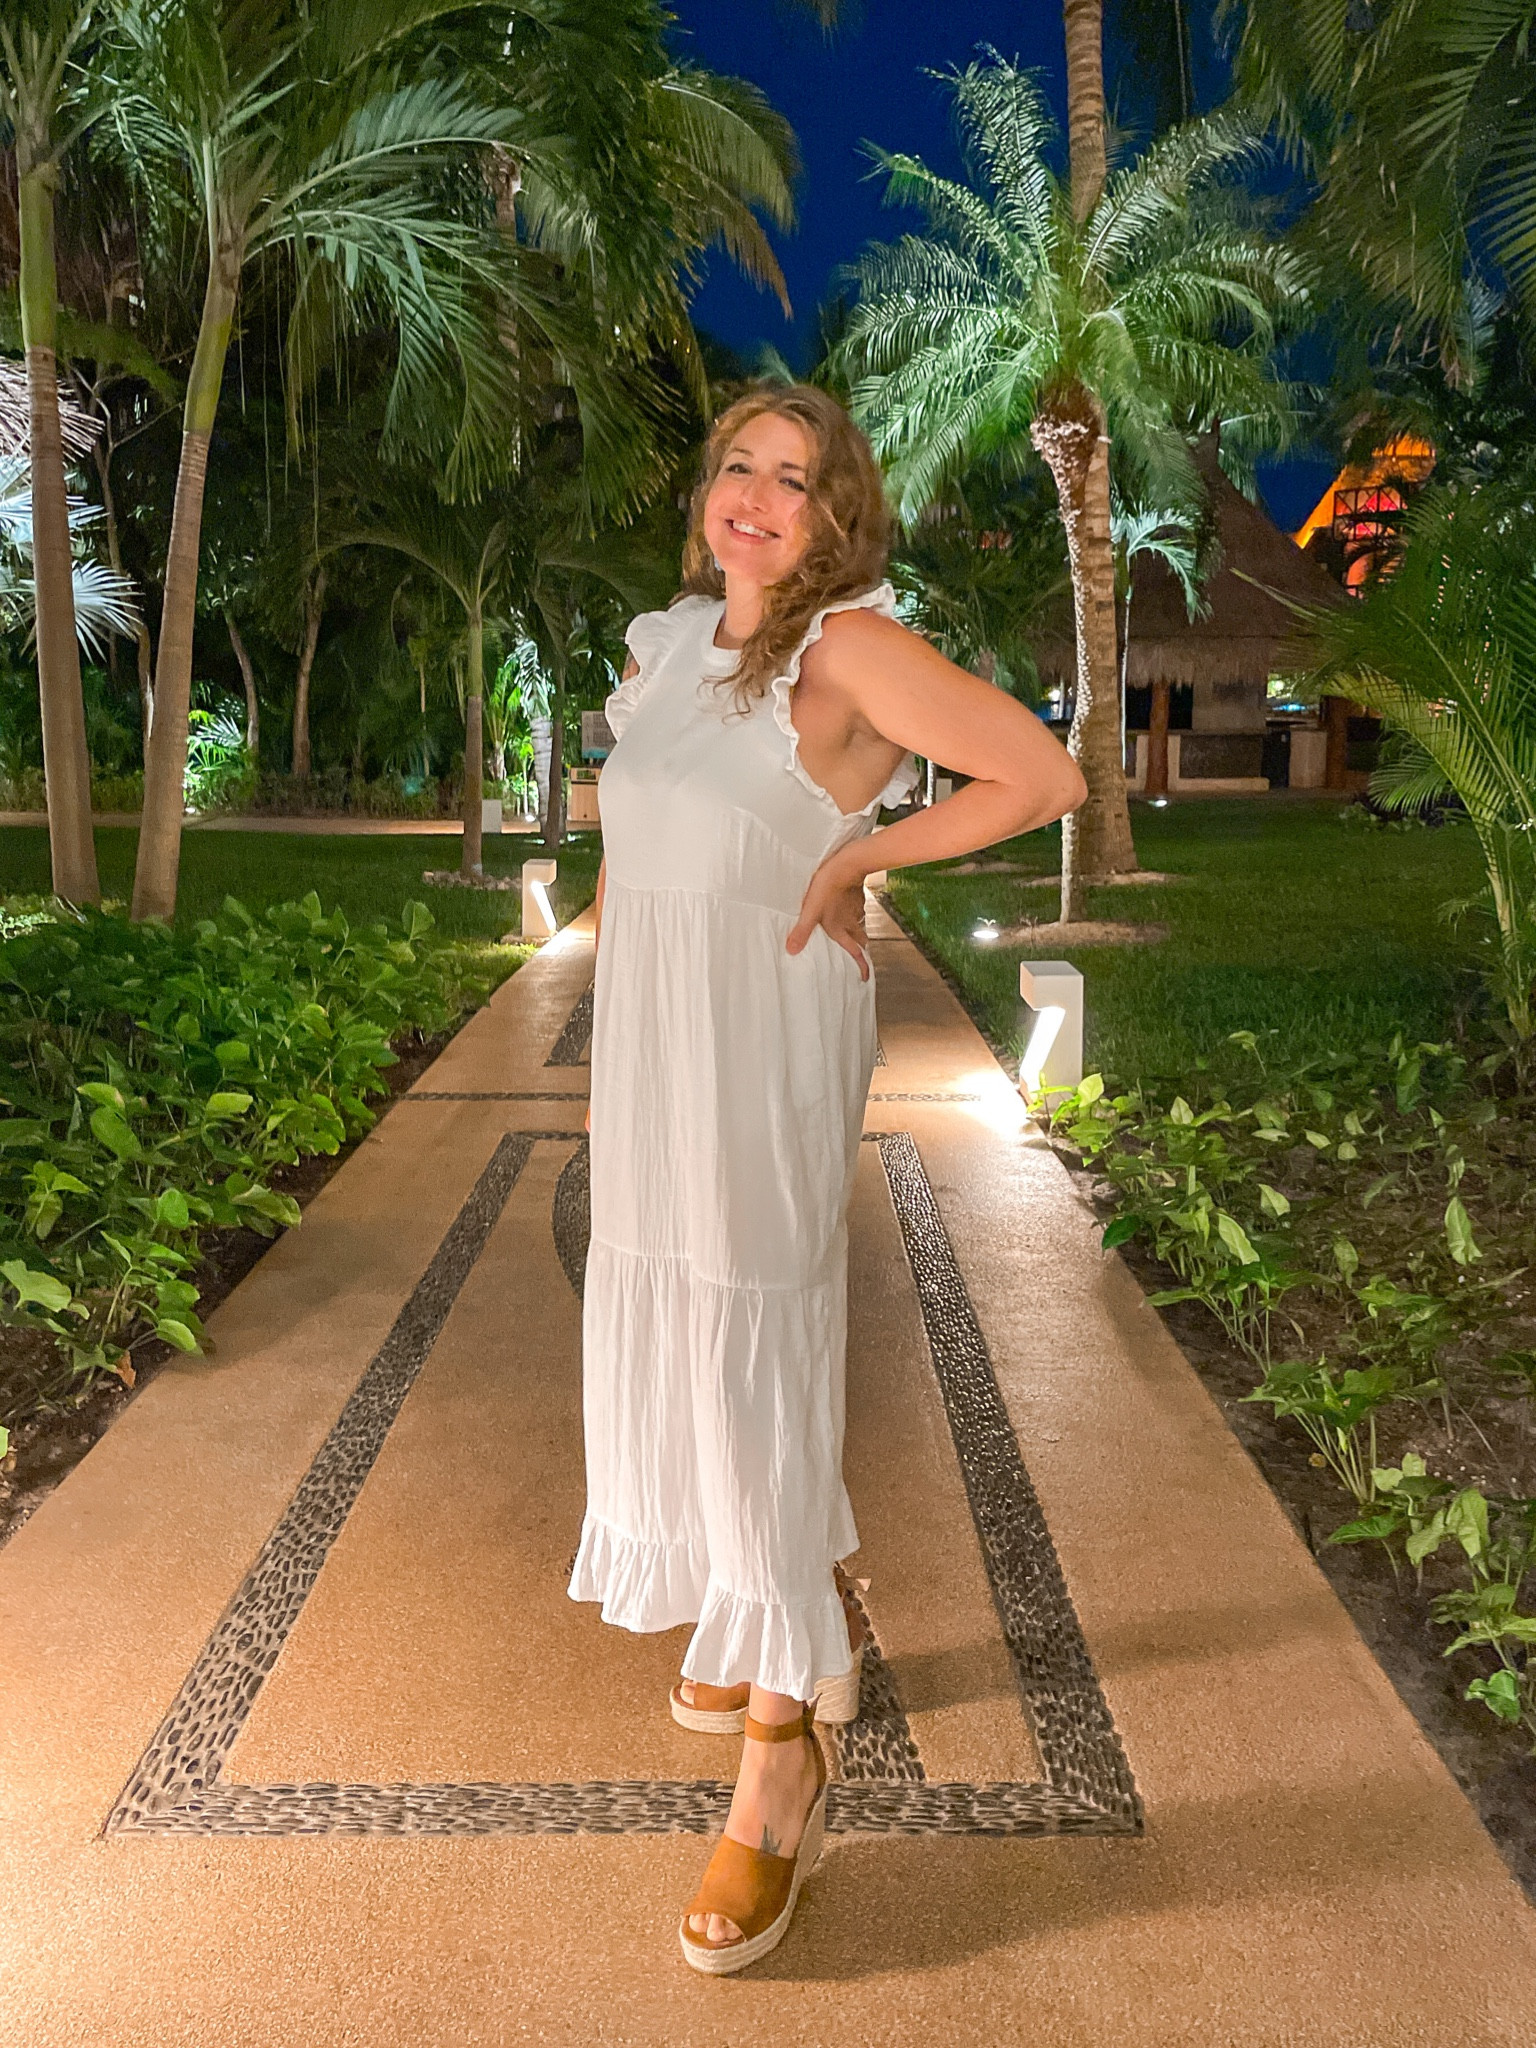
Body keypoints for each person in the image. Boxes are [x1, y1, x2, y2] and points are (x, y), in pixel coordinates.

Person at [569, 386, 1085, 1973]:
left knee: (751, 1350)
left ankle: (781, 1759)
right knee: (679, 1319)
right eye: (739, 467)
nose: (757, 497)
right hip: (658, 1045)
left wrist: (858, 857)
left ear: (834, 515)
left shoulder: (845, 651)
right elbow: (637, 823)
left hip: (764, 1039)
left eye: (794, 481)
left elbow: (1037, 775)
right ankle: (764, 1607)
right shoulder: (668, 647)